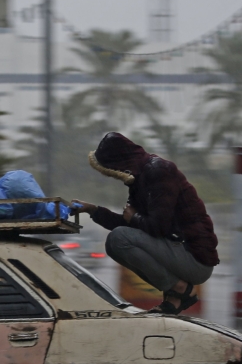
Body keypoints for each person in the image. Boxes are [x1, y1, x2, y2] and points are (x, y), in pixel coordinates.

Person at [72, 132, 219, 314]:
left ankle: (179, 290)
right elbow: (129, 226)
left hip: (194, 258)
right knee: (115, 243)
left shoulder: (159, 171)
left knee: (118, 238)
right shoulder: (140, 179)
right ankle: (175, 294)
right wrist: (92, 210)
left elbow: (158, 227)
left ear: (118, 163)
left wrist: (134, 218)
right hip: (177, 251)